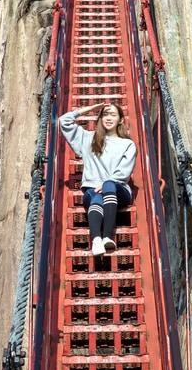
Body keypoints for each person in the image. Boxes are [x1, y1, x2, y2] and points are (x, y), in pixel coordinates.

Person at [58, 102, 136, 256]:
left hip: (119, 190)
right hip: (92, 190)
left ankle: (107, 235)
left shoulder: (127, 144)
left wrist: (107, 183)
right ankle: (96, 240)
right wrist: (90, 109)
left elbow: (124, 171)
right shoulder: (88, 138)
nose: (108, 118)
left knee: (108, 185)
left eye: (113, 115)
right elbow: (63, 121)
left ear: (120, 120)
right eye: (105, 114)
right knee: (95, 198)